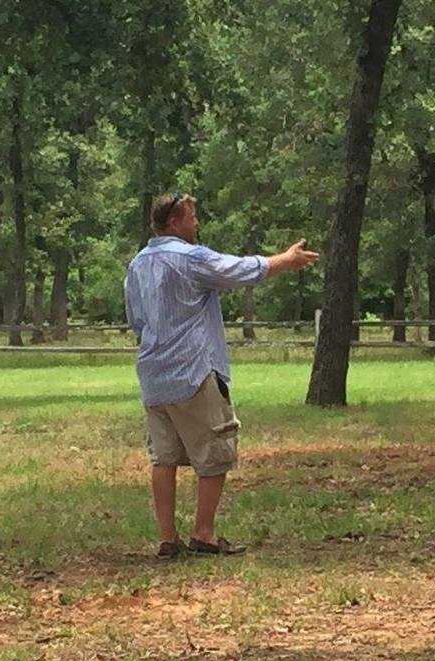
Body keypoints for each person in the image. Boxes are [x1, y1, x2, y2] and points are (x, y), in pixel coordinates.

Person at [125, 192, 318, 557]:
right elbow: (240, 269)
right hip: (194, 372)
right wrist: (287, 260)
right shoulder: (192, 259)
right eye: (192, 217)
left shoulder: (137, 265)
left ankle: (168, 540)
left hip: (153, 375)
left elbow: (136, 318)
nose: (197, 223)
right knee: (215, 451)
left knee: (163, 458)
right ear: (174, 222)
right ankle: (205, 534)